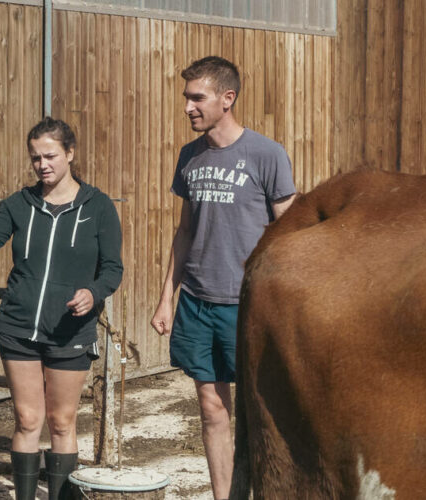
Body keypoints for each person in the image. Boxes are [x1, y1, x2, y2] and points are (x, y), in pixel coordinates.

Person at [0, 117, 123, 500]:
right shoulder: (19, 204)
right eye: (35, 158)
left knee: (61, 422)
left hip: (70, 330)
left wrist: (93, 293)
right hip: (18, 327)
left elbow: (112, 269)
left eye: (50, 156)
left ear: (70, 154)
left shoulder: (99, 206)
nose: (43, 164)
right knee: (27, 419)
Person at [150, 56, 296, 500]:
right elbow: (186, 231)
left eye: (198, 97)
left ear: (227, 99)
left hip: (247, 306)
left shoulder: (266, 154)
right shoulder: (189, 157)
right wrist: (166, 298)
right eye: (186, 98)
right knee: (212, 408)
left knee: (262, 416)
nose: (189, 107)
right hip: (196, 300)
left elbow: (290, 234)